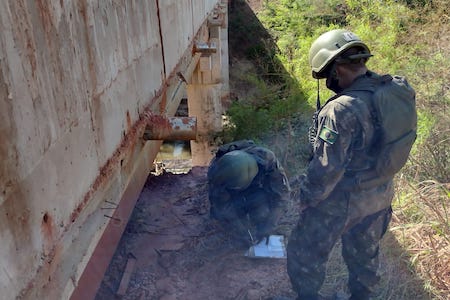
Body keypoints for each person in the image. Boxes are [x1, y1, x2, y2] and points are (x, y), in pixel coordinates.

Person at [286, 29, 417, 300]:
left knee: (303, 251)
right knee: (365, 259)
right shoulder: (392, 88)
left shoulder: (341, 109)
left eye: (326, 76)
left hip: (342, 201)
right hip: (380, 195)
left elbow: (325, 170)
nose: (328, 82)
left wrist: (306, 199)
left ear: (335, 69)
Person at [207, 140, 290, 246]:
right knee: (222, 217)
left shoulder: (267, 159)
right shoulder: (218, 174)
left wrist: (270, 224)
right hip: (232, 191)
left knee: (262, 212)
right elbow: (222, 206)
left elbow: (282, 195)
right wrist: (240, 230)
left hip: (256, 187)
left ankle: (261, 226)